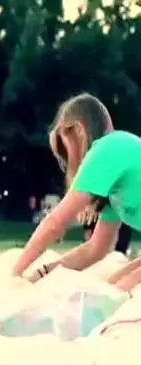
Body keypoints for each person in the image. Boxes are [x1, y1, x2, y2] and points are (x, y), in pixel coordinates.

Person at [11, 92, 141, 294]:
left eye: (66, 147)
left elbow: (54, 224)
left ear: (78, 130)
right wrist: (42, 274)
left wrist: (14, 274)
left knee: (118, 292)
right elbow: (95, 249)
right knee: (113, 286)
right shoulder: (116, 182)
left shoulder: (107, 149)